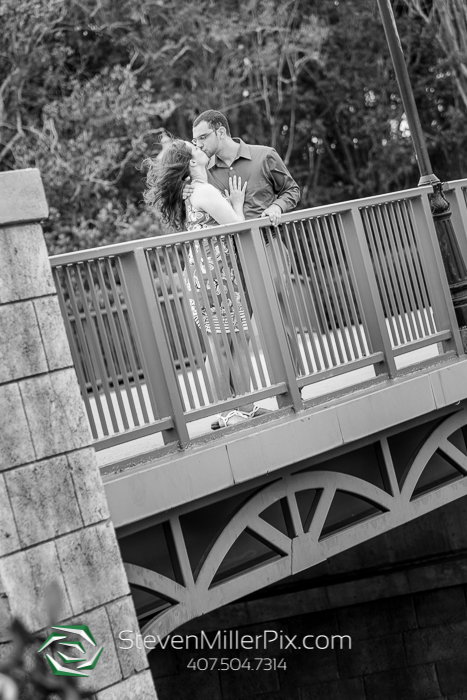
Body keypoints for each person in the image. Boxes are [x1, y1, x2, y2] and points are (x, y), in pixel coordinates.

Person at [144, 138, 262, 429]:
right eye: (196, 148)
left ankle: (236, 409)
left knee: (223, 343)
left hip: (202, 274)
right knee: (232, 341)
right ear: (192, 162)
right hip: (217, 274)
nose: (202, 148)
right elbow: (237, 227)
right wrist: (236, 205)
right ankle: (235, 410)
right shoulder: (204, 191)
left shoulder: (187, 192)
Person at [188, 109, 302, 374]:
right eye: (196, 141)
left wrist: (277, 208)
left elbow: (291, 190)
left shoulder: (264, 155)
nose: (199, 145)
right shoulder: (205, 173)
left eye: (203, 137)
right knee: (235, 332)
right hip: (227, 262)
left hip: (267, 248)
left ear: (221, 131)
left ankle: (296, 388)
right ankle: (235, 404)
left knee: (278, 322)